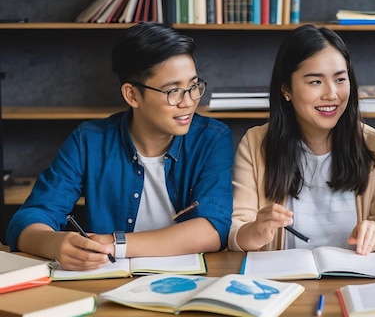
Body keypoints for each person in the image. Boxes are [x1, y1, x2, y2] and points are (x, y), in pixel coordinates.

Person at [7, 22, 234, 270]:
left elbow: (213, 229)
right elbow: (29, 219)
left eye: (193, 86)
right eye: (173, 91)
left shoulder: (212, 138)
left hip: (187, 282)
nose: (189, 102)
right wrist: (54, 244)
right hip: (108, 282)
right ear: (132, 95)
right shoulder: (89, 141)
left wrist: (116, 243)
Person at [229, 25, 375, 255]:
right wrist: (254, 231)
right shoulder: (255, 144)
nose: (331, 94)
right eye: (315, 82)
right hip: (284, 281)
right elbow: (235, 230)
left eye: (340, 79)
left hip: (354, 278)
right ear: (286, 89)